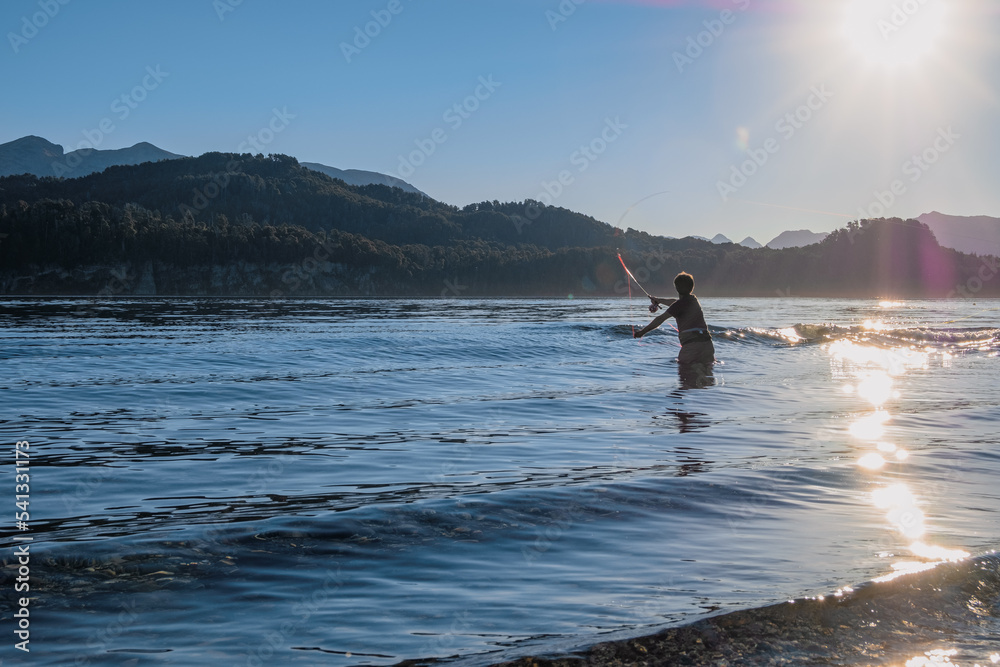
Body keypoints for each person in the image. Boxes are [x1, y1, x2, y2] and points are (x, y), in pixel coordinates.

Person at [634, 272, 716, 385]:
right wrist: (658, 300)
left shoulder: (678, 305)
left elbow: (660, 319)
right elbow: (674, 302)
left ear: (676, 288)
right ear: (692, 288)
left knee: (685, 377)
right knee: (707, 376)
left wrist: (642, 332)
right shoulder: (693, 300)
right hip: (707, 344)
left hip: (691, 347)